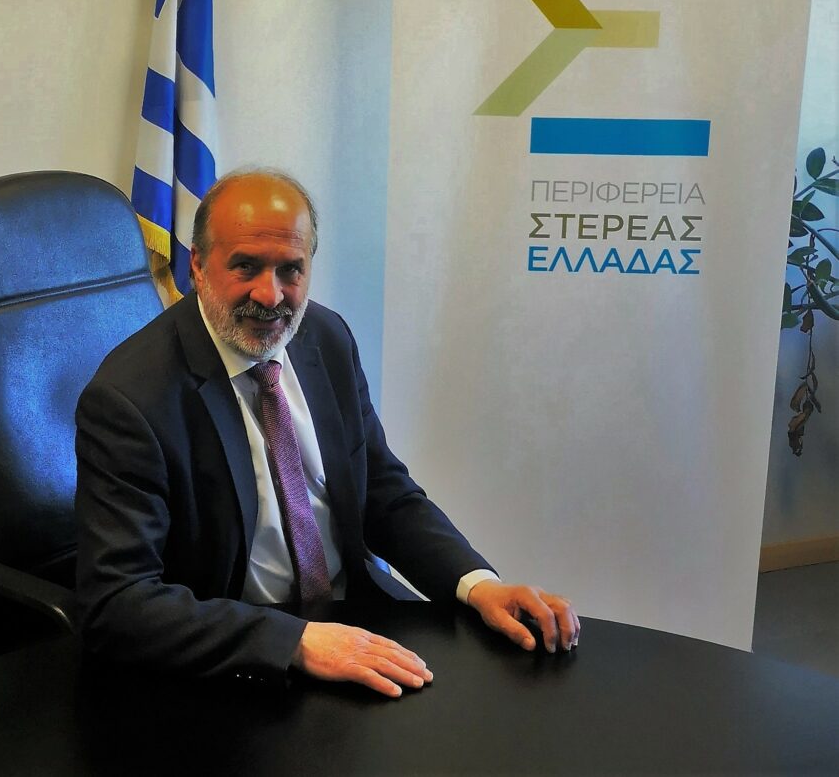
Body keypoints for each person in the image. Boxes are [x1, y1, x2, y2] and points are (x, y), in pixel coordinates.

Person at [74, 169, 579, 696]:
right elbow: (117, 602)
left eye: (290, 270)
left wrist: (477, 584)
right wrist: (293, 642)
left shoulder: (326, 336)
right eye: (246, 266)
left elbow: (381, 490)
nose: (270, 296)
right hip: (238, 655)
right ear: (198, 265)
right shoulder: (132, 400)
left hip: (356, 613)